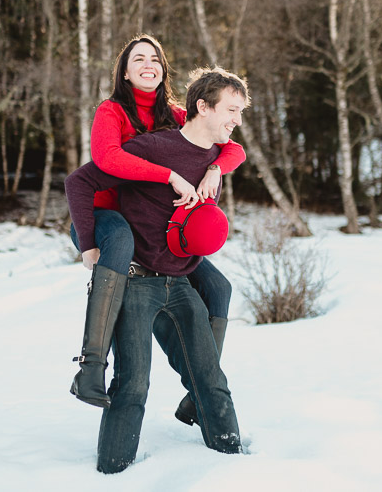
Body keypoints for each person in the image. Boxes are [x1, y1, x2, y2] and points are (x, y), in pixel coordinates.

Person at [65, 67, 250, 474]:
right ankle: (111, 475)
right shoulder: (151, 147)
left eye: (240, 112)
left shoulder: (217, 156)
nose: (237, 121)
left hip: (182, 281)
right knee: (132, 385)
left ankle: (235, 471)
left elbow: (234, 153)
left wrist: (217, 169)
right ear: (202, 107)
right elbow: (80, 181)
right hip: (133, 281)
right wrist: (90, 243)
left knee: (210, 379)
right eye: (231, 111)